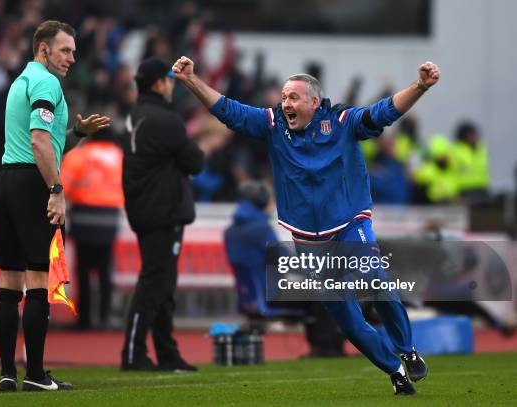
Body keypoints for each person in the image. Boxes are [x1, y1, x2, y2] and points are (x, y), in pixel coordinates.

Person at [173, 55, 440, 395]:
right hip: (308, 239)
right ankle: (396, 372)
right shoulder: (273, 124)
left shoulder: (342, 120)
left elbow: (382, 112)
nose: (286, 103)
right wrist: (191, 81)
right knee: (346, 320)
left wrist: (419, 86)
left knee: (374, 278)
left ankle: (407, 348)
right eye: (284, 97)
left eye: (294, 97)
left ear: (315, 102)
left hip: (350, 222)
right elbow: (231, 111)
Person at [0, 20, 110, 392]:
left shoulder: (20, 82)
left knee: (10, 283)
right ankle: (37, 376)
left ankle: (8, 374)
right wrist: (56, 189)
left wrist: (77, 134)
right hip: (32, 185)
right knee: (39, 280)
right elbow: (40, 141)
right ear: (43, 49)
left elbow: (48, 142)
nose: (72, 58)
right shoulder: (46, 83)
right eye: (65, 50)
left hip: (6, 181)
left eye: (73, 51)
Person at [120, 57, 204, 372]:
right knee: (155, 284)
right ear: (159, 83)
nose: (172, 85)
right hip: (163, 212)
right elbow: (195, 161)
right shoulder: (164, 120)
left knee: (162, 285)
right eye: (169, 80)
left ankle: (167, 353)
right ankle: (133, 353)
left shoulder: (136, 116)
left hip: (145, 210)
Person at [224, 180, 345, 357]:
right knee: (327, 292)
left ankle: (321, 347)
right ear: (261, 201)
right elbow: (286, 261)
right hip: (270, 294)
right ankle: (327, 348)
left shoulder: (231, 231)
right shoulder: (261, 229)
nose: (273, 205)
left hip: (250, 295)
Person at [61, 131, 124, 331]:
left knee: (83, 270)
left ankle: (85, 319)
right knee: (105, 271)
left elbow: (63, 186)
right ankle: (105, 317)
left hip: (84, 217)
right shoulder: (119, 156)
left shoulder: (79, 155)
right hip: (110, 218)